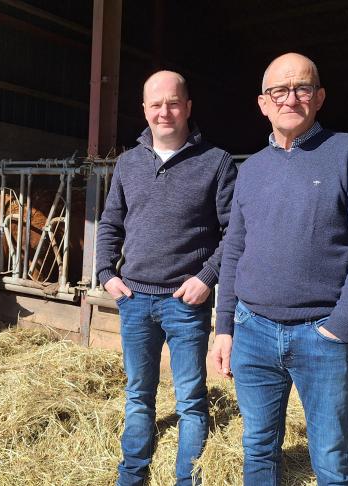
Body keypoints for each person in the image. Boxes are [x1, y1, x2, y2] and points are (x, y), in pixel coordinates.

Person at [210, 53, 348, 485]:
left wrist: (341, 325)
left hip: (321, 334)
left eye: (302, 88)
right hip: (252, 330)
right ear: (263, 102)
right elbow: (235, 248)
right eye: (279, 90)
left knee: (330, 456)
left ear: (320, 97)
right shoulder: (251, 168)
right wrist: (224, 327)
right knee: (257, 446)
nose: (289, 98)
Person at [95, 70, 237, 486]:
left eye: (173, 103)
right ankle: (132, 475)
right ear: (144, 109)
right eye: (156, 104)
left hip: (185, 301)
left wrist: (207, 276)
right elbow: (109, 223)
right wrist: (106, 272)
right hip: (134, 298)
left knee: (191, 399)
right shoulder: (127, 162)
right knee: (139, 395)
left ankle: (185, 480)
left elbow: (235, 232)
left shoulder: (217, 162)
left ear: (188, 107)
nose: (164, 112)